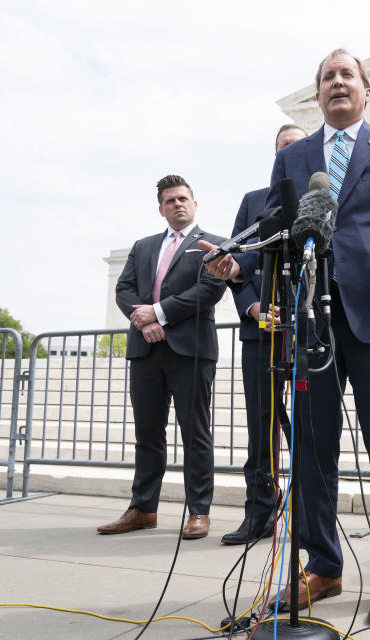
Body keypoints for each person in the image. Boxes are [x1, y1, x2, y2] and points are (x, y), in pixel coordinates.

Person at [200, 49, 370, 622]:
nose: (336, 83)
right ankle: (322, 567)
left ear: (366, 89)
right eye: (327, 76)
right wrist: (241, 265)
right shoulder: (296, 156)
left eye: (346, 75)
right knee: (311, 453)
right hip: (310, 326)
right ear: (318, 93)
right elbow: (277, 232)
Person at [99, 175, 226, 539]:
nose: (177, 204)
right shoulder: (143, 246)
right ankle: (142, 508)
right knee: (148, 433)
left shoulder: (212, 245)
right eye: (170, 201)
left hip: (191, 351)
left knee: (195, 432)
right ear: (161, 208)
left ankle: (199, 511)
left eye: (183, 198)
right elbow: (124, 289)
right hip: (145, 351)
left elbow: (210, 289)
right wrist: (143, 322)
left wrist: (157, 313)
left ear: (195, 203)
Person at [222, 123, 308, 546]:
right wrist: (254, 308)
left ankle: (311, 516)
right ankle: (259, 513)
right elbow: (236, 266)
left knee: (310, 429)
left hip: (310, 333)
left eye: (296, 146)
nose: (288, 153)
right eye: (282, 148)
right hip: (262, 333)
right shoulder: (253, 201)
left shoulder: (324, 199)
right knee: (262, 428)